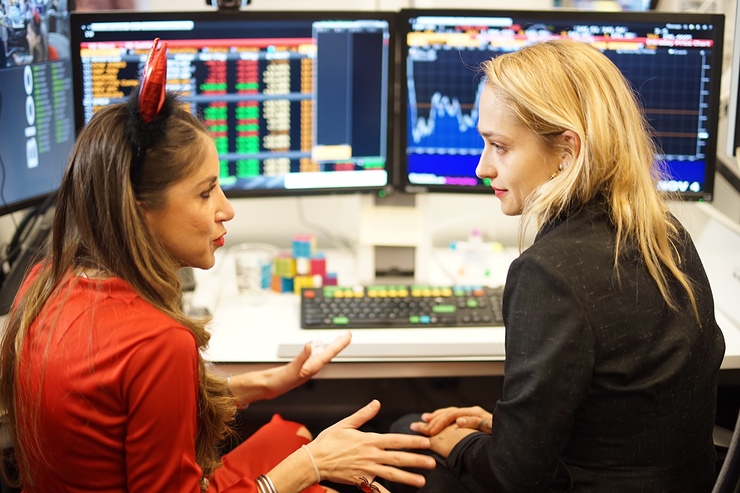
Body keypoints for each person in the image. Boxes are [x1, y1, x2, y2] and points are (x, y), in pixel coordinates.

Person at [0, 39, 435, 492]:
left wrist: (269, 382)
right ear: (140, 209)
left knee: (292, 432)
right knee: (311, 465)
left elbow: (132, 414)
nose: (226, 210)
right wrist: (312, 464)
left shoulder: (47, 282)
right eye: (206, 192)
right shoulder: (158, 343)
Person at [388, 39, 726, 493]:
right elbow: (628, 413)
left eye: (500, 146)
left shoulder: (550, 272)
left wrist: (460, 443)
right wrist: (503, 428)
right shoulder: (666, 235)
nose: (482, 167)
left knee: (408, 432)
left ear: (567, 150)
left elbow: (514, 476)